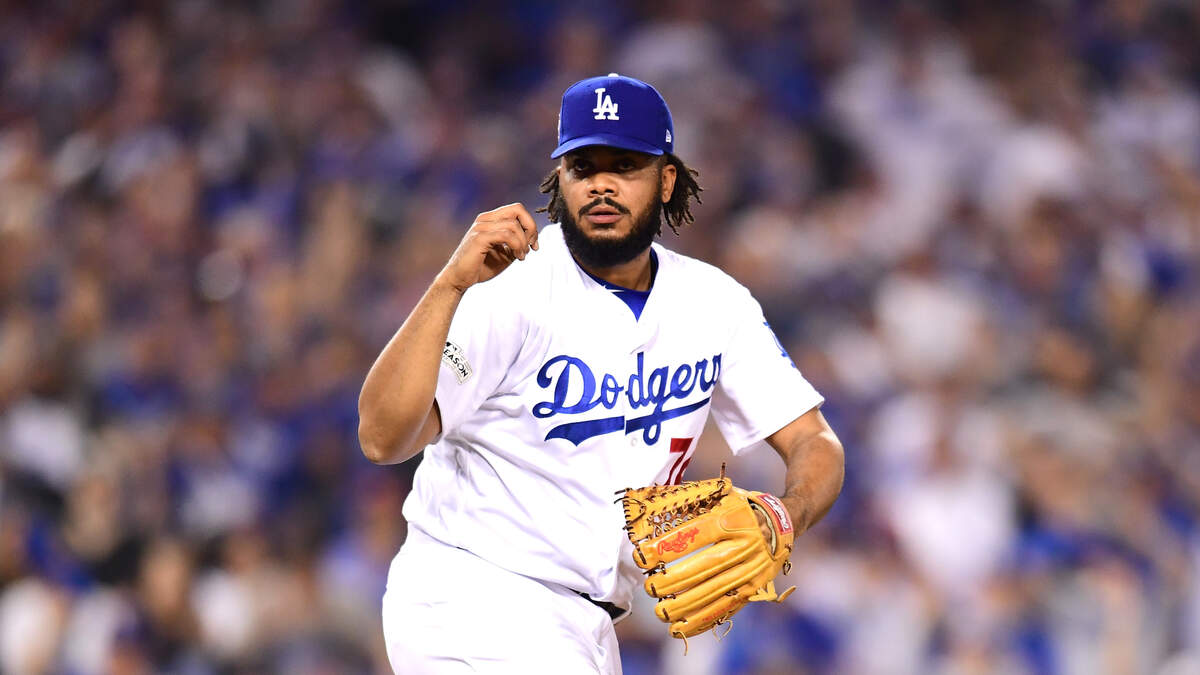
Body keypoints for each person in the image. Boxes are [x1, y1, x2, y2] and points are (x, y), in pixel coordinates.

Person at [358, 73, 844, 674]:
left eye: (626, 166)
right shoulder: (511, 286)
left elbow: (814, 441)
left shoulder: (714, 303)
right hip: (475, 595)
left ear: (667, 181)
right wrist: (448, 286)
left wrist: (787, 515)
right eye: (583, 167)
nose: (602, 184)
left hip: (586, 624)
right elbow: (382, 437)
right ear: (560, 179)